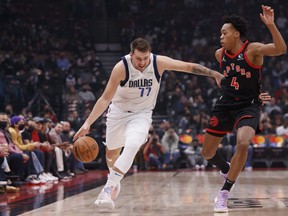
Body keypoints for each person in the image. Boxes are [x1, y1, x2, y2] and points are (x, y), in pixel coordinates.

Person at [73, 37, 224, 209]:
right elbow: (105, 98)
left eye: (145, 58)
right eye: (138, 59)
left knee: (132, 145)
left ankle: (107, 188)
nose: (143, 62)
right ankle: (115, 178)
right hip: (118, 113)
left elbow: (188, 67)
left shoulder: (158, 63)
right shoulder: (121, 67)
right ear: (131, 55)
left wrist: (215, 74)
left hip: (141, 114)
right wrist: (87, 123)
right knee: (111, 155)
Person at [201, 5, 286, 213]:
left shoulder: (253, 50)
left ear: (236, 34)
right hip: (225, 104)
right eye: (220, 33)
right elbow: (230, 80)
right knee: (207, 152)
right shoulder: (219, 55)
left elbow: (280, 49)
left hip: (248, 105)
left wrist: (271, 25)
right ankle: (225, 168)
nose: (220, 36)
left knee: (243, 143)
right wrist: (218, 78)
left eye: (224, 32)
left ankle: (224, 192)